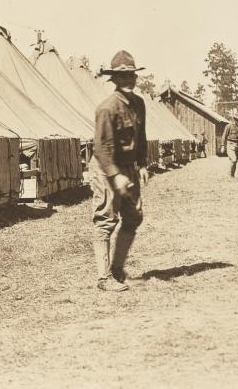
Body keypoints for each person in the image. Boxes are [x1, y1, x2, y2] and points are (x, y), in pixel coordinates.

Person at [90, 50, 149, 292]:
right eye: (122, 76)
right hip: (106, 168)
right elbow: (101, 148)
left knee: (134, 216)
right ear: (113, 79)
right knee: (105, 219)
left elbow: (142, 137)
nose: (128, 80)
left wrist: (143, 163)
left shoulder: (139, 104)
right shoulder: (107, 108)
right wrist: (116, 175)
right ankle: (104, 278)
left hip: (127, 167)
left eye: (131, 76)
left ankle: (117, 268)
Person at [221, 112, 238, 177]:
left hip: (237, 145)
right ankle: (229, 174)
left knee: (235, 161)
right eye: (236, 119)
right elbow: (224, 136)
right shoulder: (228, 126)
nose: (237, 120)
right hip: (230, 144)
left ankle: (232, 175)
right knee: (233, 159)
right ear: (234, 119)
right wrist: (222, 146)